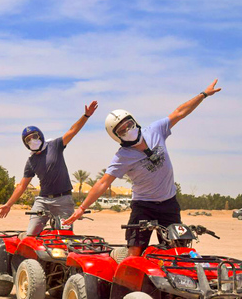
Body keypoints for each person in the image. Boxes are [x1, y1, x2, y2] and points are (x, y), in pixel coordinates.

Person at [65, 80, 222, 256]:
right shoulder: (122, 156)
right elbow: (103, 182)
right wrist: (81, 208)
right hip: (143, 206)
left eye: (129, 124)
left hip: (169, 203)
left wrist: (203, 94)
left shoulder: (155, 130)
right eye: (122, 130)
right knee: (135, 251)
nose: (128, 129)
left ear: (134, 121)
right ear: (117, 136)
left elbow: (180, 112)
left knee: (178, 252)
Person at [0, 101, 98, 236]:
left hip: (63, 199)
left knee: (65, 236)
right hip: (43, 200)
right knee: (31, 234)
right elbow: (22, 185)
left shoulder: (54, 145)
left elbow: (72, 131)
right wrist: (8, 204)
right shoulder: (31, 161)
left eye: (34, 136)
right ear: (25, 144)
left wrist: (86, 116)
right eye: (28, 140)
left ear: (40, 136)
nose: (32, 140)